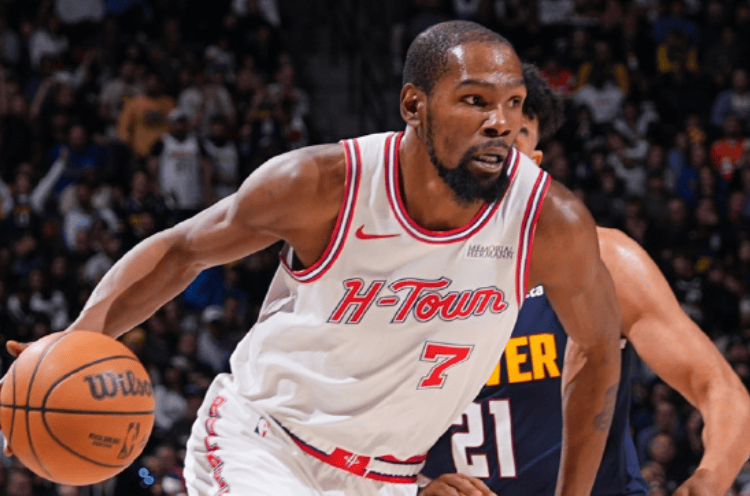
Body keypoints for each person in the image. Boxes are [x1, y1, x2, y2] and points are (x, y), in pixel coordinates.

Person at [1, 21, 622, 496]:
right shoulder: (322, 186)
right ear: (414, 106)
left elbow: (597, 350)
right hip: (264, 445)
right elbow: (181, 251)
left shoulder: (550, 223)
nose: (500, 123)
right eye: (475, 101)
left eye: (512, 103)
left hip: (390, 477)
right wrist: (79, 337)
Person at [419, 64, 750, 496]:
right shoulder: (397, 275)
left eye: (515, 139)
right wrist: (415, 489)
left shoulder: (605, 259)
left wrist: (708, 479)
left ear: (535, 162)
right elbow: (344, 434)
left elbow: (721, 391)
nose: (497, 152)